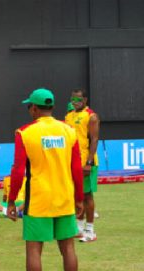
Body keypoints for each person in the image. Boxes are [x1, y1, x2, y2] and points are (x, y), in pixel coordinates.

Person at [8, 88, 84, 271]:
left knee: (34, 251)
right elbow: (76, 169)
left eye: (28, 106)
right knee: (68, 249)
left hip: (39, 200)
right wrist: (79, 198)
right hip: (64, 198)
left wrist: (11, 200)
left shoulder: (25, 132)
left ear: (33, 108)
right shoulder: (68, 130)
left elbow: (18, 169)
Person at [65, 89, 99, 242]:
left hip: (86, 162)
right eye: (72, 98)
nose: (74, 101)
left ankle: (90, 230)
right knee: (76, 195)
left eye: (78, 99)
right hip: (72, 161)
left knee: (87, 195)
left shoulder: (91, 116)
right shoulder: (68, 116)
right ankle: (78, 228)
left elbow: (94, 139)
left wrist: (89, 162)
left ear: (85, 100)